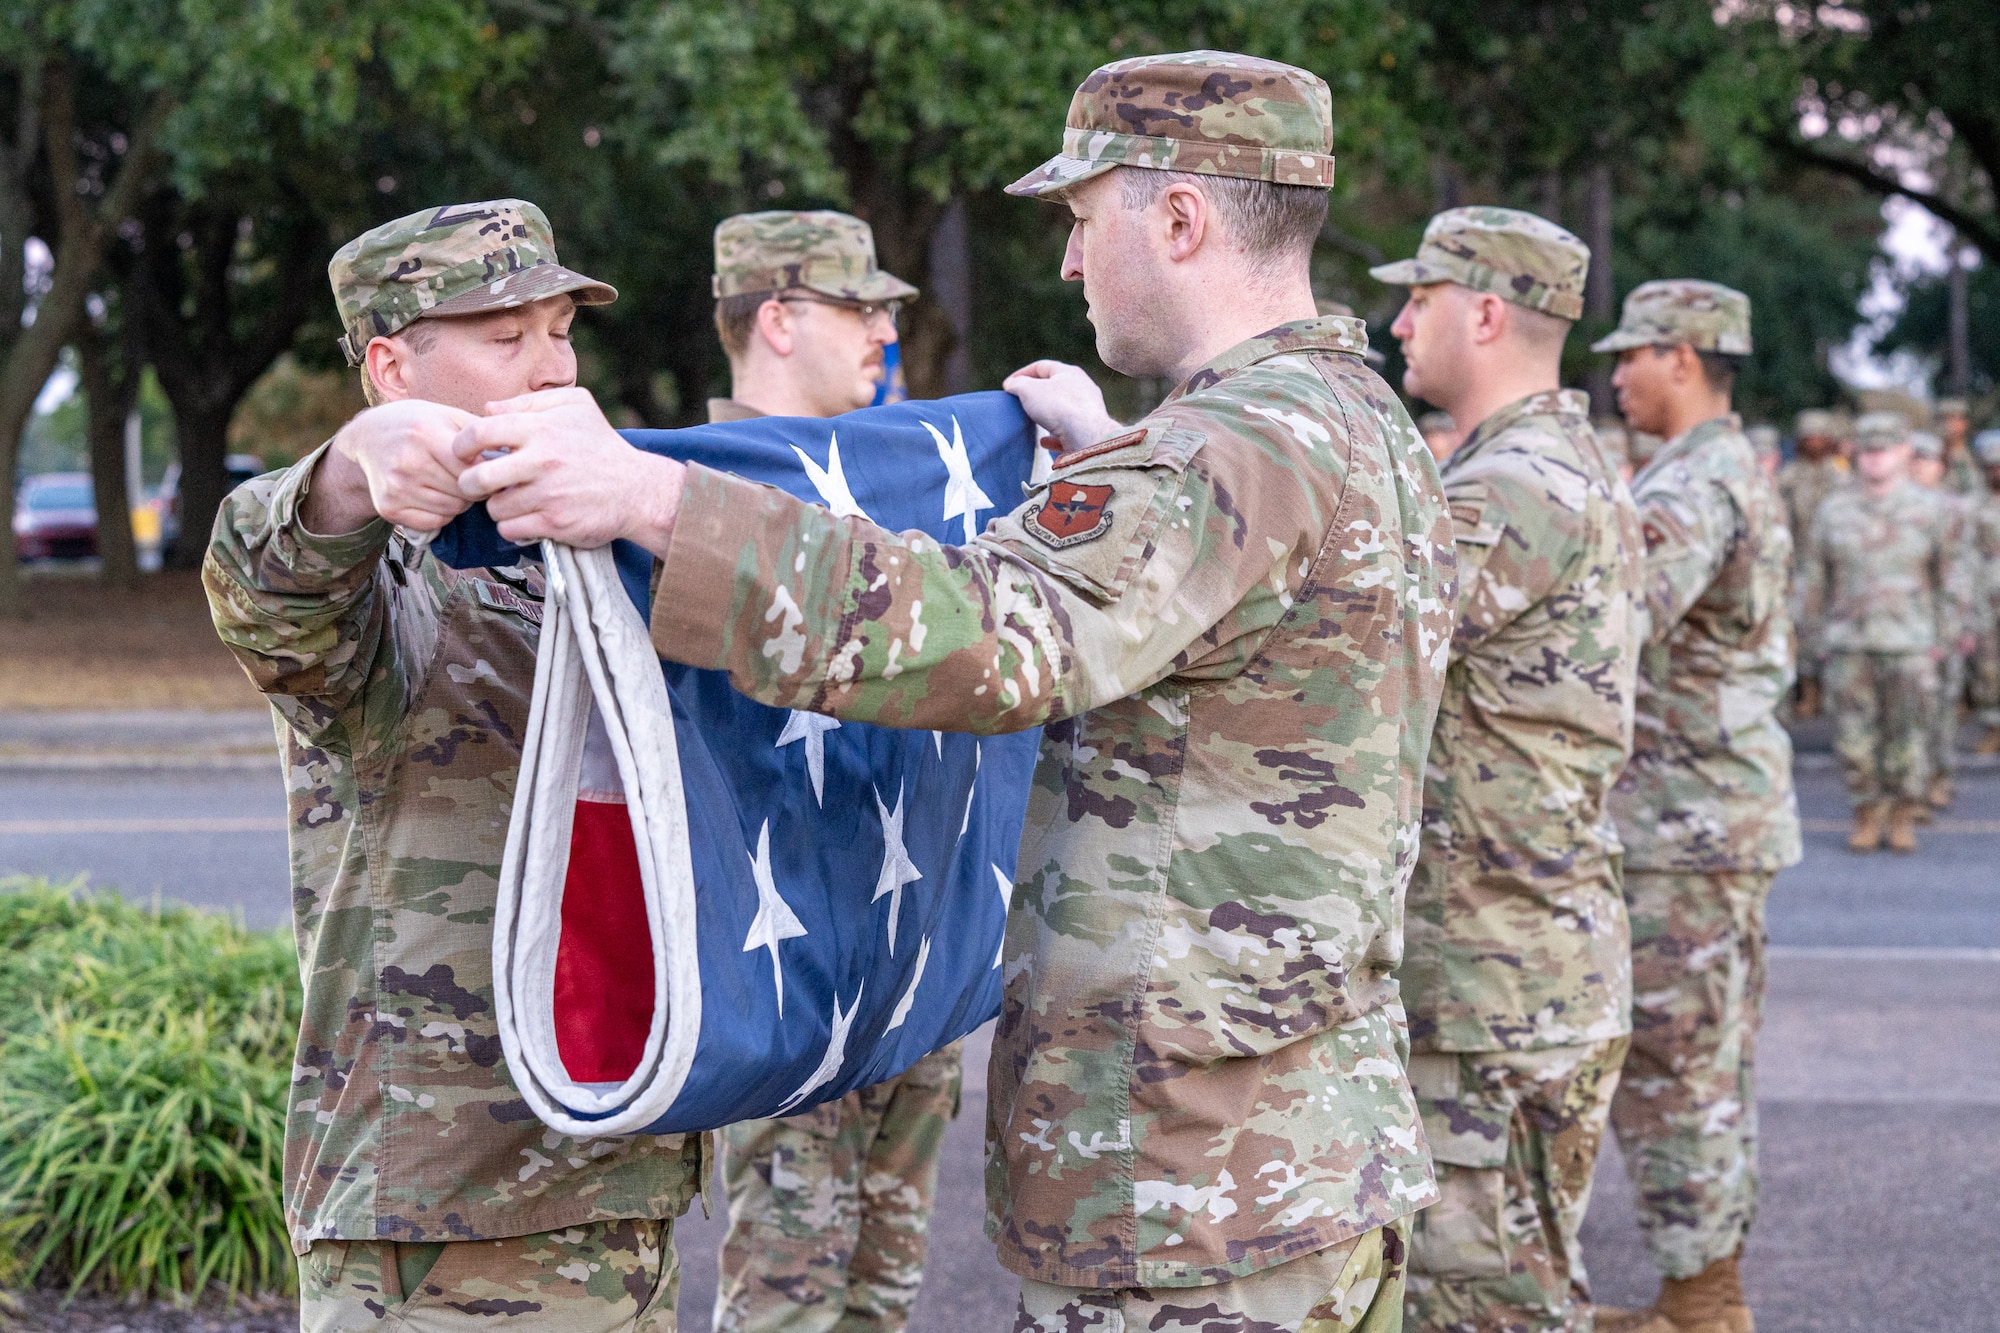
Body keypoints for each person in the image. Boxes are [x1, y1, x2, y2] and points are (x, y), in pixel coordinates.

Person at [438, 49, 1456, 1333]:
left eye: (1086, 221)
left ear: (1182, 220)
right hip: (1306, 1148)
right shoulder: (1356, 426)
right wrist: (1118, 465)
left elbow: (991, 636)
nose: (1075, 264)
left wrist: (654, 502)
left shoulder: (1215, 458)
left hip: (1190, 1198)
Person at [203, 200, 705, 1332]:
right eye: (502, 335)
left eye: (559, 331)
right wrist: (343, 472)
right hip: (433, 1225)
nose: (549, 367)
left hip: (614, 1178)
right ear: (391, 368)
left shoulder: (592, 551)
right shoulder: (385, 578)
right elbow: (272, 592)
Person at [1371, 208, 1643, 1333]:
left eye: (1415, 299)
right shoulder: (1538, 465)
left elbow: (1349, 618)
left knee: (1482, 1304)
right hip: (1515, 962)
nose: (1394, 323)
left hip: (1490, 982)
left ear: (1482, 312)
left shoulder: (1518, 484)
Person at [699, 208, 965, 1333]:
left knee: (882, 1291)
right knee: (788, 1293)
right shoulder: (693, 494)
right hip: (789, 957)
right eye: (859, 307)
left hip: (907, 946)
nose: (884, 331)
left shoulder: (903, 479)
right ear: (776, 317)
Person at [1589, 280, 1802, 1333]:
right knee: (1692, 1058)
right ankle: (1699, 1288)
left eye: (1630, 355)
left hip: (1687, 825)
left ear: (1682, 356)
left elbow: (1616, 609)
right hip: (1694, 818)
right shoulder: (1701, 467)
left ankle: (1704, 1300)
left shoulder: (1697, 482)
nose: (1615, 374)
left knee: (1679, 1065)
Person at [1799, 414, 1968, 854]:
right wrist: (1812, 641)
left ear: (1905, 454)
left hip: (1911, 641)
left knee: (1910, 737)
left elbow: (1951, 578)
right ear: (1856, 454)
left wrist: (1945, 640)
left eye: (1885, 450)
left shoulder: (1931, 510)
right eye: (1868, 451)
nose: (1875, 459)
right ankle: (1866, 811)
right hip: (1849, 642)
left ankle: (1900, 812)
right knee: (1854, 739)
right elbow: (1814, 579)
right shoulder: (1834, 510)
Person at [1909, 429, 1980, 813]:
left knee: (1942, 708)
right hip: (1907, 623)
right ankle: (1913, 787)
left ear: (1940, 466)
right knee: (1912, 712)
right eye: (1914, 459)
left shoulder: (1956, 509)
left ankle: (1940, 776)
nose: (1920, 466)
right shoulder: (1898, 507)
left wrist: (1966, 624)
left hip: (1948, 620)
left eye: (1927, 460)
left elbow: (1965, 568)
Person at [1776, 408, 1850, 718]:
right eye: (1808, 436)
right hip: (1801, 565)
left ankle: (1834, 693)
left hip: (1837, 567)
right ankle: (1806, 692)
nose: (1814, 442)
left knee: (1837, 630)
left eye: (1820, 435)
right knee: (1802, 630)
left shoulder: (1842, 478)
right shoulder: (1789, 478)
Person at [1971, 430, 2000, 754]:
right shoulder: (1972, 505)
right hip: (1985, 595)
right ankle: (1993, 726)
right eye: (1991, 466)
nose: (1997, 471)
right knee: (1988, 667)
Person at [1936, 397, 1988, 498]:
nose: (1948, 424)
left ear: (1965, 423)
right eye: (1944, 418)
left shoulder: (1978, 455)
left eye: (1954, 418)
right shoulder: (1932, 456)